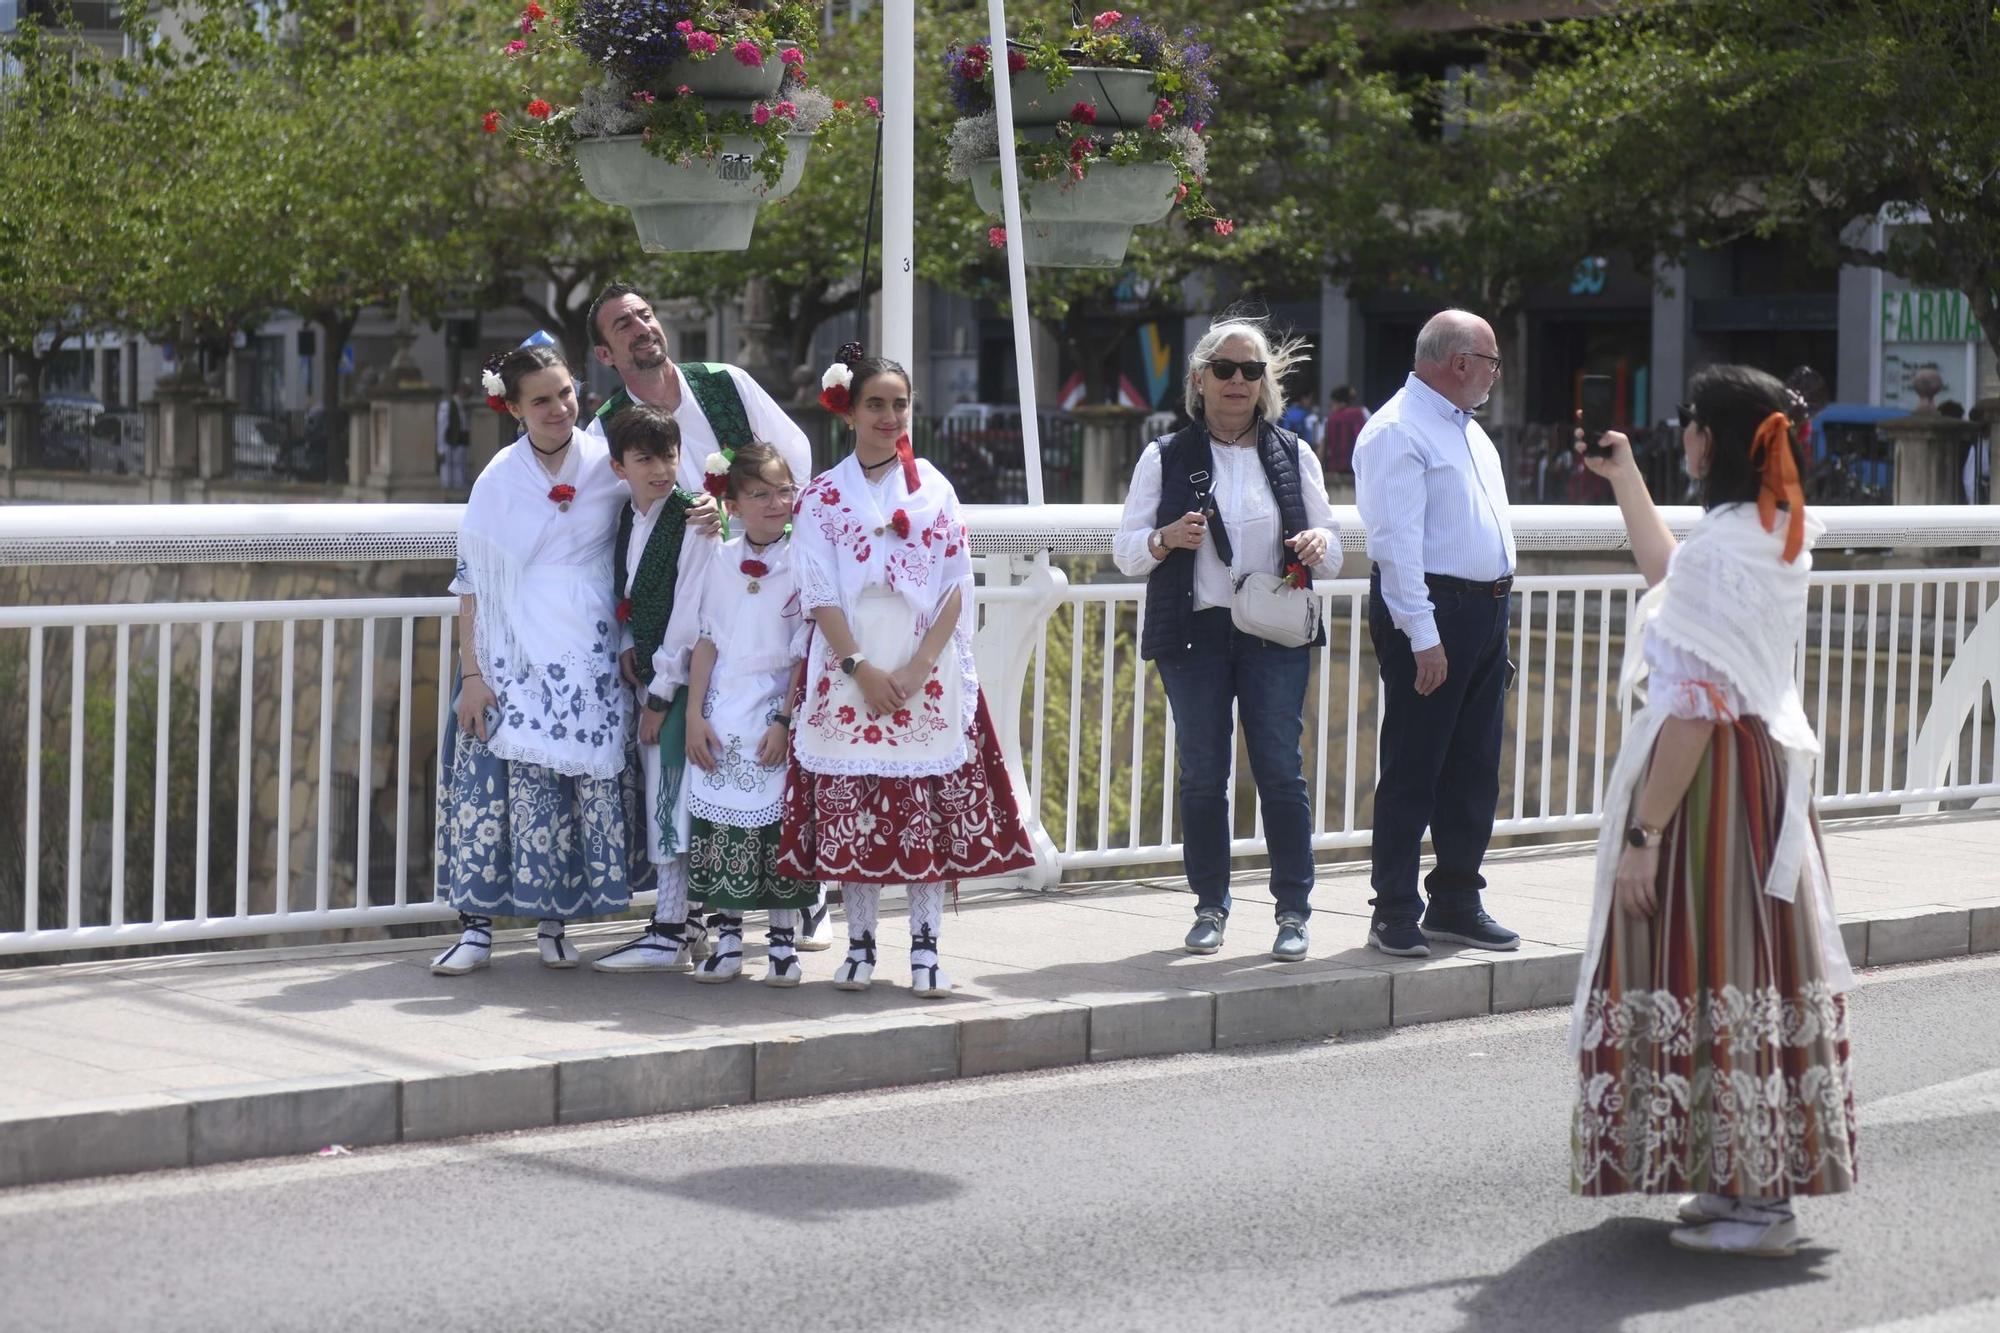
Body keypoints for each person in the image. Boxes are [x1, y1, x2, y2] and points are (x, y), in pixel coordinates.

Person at [1568, 365, 1858, 1257]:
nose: (1679, 432)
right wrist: (1626, 482)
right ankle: (1742, 1178)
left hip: (1709, 789)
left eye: (1688, 421)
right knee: (1749, 974)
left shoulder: (1732, 542)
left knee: (1709, 961)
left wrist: (1645, 836)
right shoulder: (1766, 530)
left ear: (1715, 439)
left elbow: (1692, 704)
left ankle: (1760, 1202)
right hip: (1760, 775)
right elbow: (1673, 575)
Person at [777, 343, 1036, 995]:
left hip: (925, 662)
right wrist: (858, 666)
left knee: (919, 807)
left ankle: (925, 947)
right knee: (856, 803)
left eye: (900, 404)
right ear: (850, 412)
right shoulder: (822, 496)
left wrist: (921, 665)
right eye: (876, 405)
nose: (890, 417)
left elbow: (954, 584)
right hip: (849, 662)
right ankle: (861, 944)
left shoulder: (935, 490)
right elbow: (818, 591)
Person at [583, 281, 834, 950]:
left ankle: (799, 897)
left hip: (758, 600)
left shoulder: (724, 382)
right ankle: (695, 915)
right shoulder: (607, 426)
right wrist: (631, 628)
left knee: (773, 748)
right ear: (607, 353)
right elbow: (607, 525)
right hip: (675, 621)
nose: (639, 327)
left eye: (642, 313)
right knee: (689, 763)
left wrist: (759, 527)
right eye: (621, 324)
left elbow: (797, 463)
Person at [1114, 317, 1338, 961]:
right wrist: (1164, 539)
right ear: (1200, 380)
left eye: (1250, 371)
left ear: (1264, 383)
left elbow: (1334, 549)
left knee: (1280, 770)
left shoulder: (1294, 453)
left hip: (1274, 631)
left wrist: (1321, 542)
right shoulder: (1164, 455)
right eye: (1225, 369)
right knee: (1204, 773)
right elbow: (1127, 552)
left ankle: (1294, 910)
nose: (1238, 381)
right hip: (1196, 633)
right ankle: (1209, 905)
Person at [430, 343, 634, 976]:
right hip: (514, 643)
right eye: (541, 399)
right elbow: (473, 580)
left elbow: (659, 510)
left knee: (570, 786)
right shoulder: (498, 477)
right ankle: (476, 930)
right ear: (514, 407)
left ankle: (554, 921)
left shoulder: (608, 461)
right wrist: (471, 673)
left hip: (588, 638)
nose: (558, 408)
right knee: (491, 779)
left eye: (566, 392)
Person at [1353, 309, 1520, 959]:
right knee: (1414, 765)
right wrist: (1422, 634)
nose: (1495, 375)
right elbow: (1396, 545)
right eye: (1493, 361)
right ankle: (1393, 905)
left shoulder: (1466, 430)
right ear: (1459, 363)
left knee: (1474, 766)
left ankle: (1455, 897)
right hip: (1432, 608)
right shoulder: (1398, 430)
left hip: (1482, 611)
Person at [681, 441, 818, 985]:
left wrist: (785, 720)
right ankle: (729, 938)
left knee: (777, 827)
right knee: (722, 825)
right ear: (732, 505)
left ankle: (783, 943)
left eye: (784, 491)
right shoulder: (718, 561)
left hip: (778, 704)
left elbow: (806, 648)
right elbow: (707, 640)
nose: (775, 503)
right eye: (759, 494)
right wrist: (694, 712)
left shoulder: (803, 560)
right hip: (724, 702)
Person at [585, 405, 712, 973]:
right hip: (653, 669)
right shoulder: (627, 519)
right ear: (620, 467)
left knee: (673, 794)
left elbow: (689, 616)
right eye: (645, 459)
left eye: (668, 456)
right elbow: (631, 594)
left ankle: (670, 927)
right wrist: (628, 643)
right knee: (669, 792)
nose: (661, 469)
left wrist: (660, 694)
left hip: (685, 678)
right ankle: (686, 923)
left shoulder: (692, 519)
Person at [1321, 384, 1368, 478]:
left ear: (1336, 401)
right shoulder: (1358, 413)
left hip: (1335, 469)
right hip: (1355, 467)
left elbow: (1324, 445)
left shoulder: (1331, 419)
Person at [436, 378, 472, 489]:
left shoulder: (463, 405)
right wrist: (440, 448)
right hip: (450, 443)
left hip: (461, 442)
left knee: (460, 469)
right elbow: (442, 427)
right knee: (448, 470)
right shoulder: (447, 406)